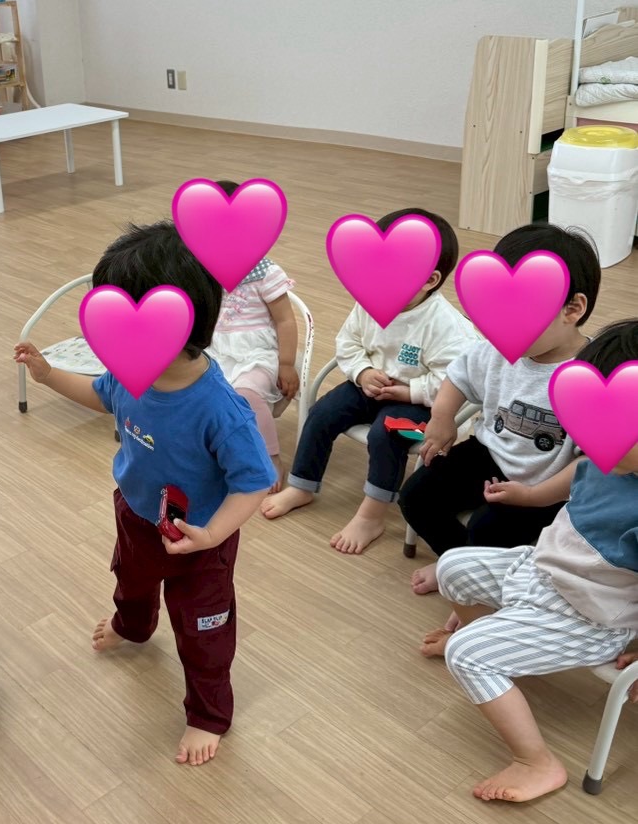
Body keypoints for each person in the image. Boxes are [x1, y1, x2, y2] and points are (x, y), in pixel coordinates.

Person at [14, 219, 274, 766]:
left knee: (202, 628)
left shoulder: (221, 409)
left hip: (198, 540)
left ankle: (208, 713)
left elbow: (254, 482)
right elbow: (101, 395)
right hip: (135, 514)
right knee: (130, 583)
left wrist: (212, 535)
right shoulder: (131, 371)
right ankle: (133, 627)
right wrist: (47, 375)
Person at [429, 320, 638, 804]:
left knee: (468, 654)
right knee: (452, 567)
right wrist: (527, 495)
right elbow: (569, 481)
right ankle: (506, 649)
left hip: (591, 617)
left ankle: (536, 762)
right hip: (542, 571)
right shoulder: (604, 458)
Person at [262, 208, 475, 554]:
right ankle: (303, 484)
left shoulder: (447, 327)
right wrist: (362, 372)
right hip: (370, 386)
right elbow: (348, 344)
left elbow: (456, 381)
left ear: (429, 280)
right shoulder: (369, 301)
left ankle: (372, 515)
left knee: (388, 433)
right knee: (322, 412)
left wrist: (410, 391)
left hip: (424, 406)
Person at [403, 222, 600, 597]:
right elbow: (458, 377)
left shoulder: (592, 376)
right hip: (490, 452)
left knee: (489, 529)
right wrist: (442, 418)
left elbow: (592, 462)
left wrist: (535, 496)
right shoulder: (495, 351)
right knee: (416, 497)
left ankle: (480, 580)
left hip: (549, 482)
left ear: (572, 309)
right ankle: (459, 564)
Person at [208, 179, 299, 494]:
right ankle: (221, 454)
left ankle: (270, 457)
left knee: (246, 395)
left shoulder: (265, 272)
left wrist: (286, 364)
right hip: (218, 353)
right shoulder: (205, 269)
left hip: (260, 355)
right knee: (206, 396)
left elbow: (286, 320)